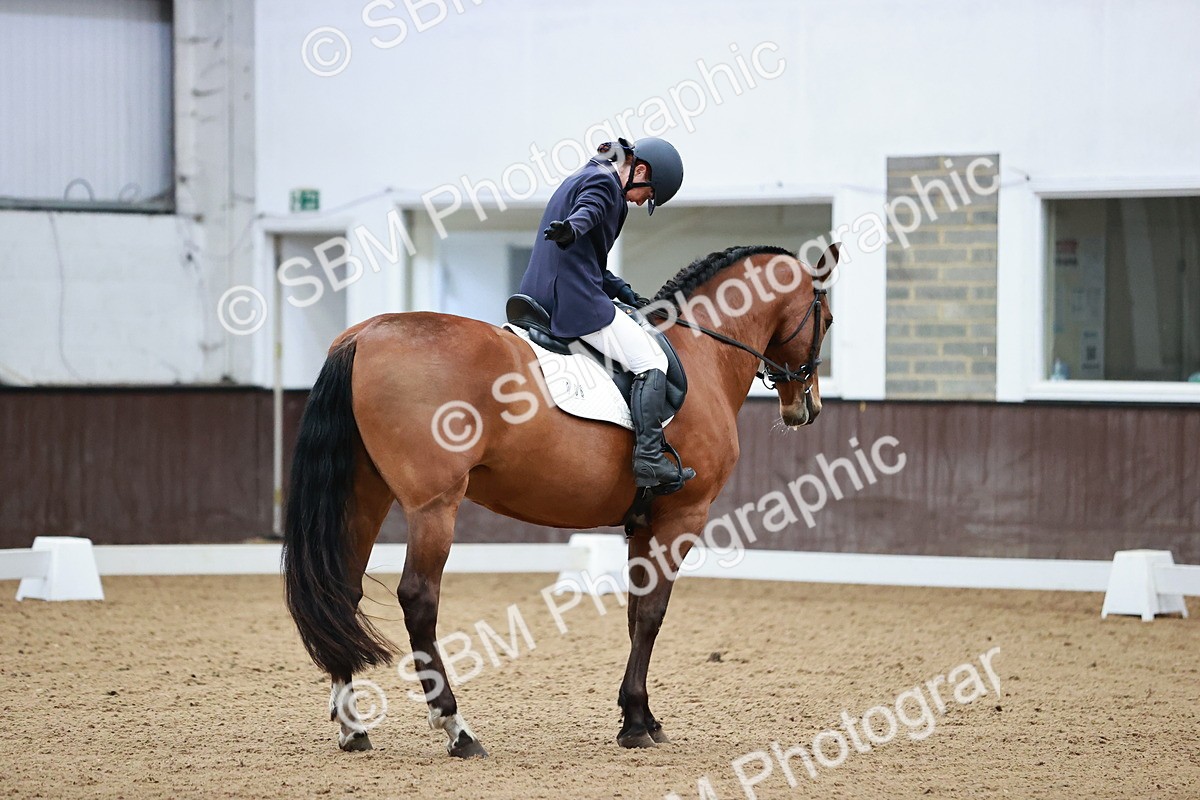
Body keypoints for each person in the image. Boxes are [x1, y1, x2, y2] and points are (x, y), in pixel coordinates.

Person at [518, 137, 695, 494]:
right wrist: (573, 228)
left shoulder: (587, 172)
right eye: (649, 194)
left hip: (540, 291)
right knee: (652, 361)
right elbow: (589, 211)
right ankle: (649, 457)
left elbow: (589, 260)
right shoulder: (605, 184)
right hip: (573, 300)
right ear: (640, 170)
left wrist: (623, 291)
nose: (642, 201)